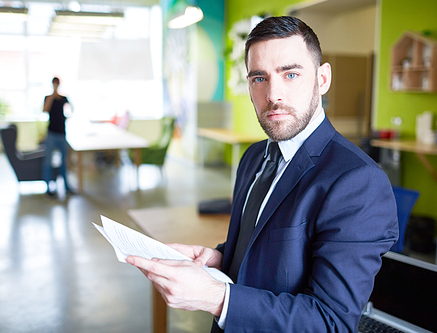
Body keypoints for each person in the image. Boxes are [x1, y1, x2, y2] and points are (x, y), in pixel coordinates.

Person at [127, 16, 398, 332]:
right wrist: (219, 258)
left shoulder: (357, 182)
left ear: (322, 79)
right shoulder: (254, 156)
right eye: (259, 78)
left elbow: (331, 322)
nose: (273, 95)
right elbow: (266, 247)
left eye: (291, 74)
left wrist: (217, 299)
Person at [42, 77, 74, 197]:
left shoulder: (64, 98)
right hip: (51, 134)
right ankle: (49, 188)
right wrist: (52, 97)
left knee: (64, 162)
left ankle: (66, 186)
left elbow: (71, 109)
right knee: (48, 162)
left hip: (62, 134)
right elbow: (45, 110)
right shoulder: (48, 98)